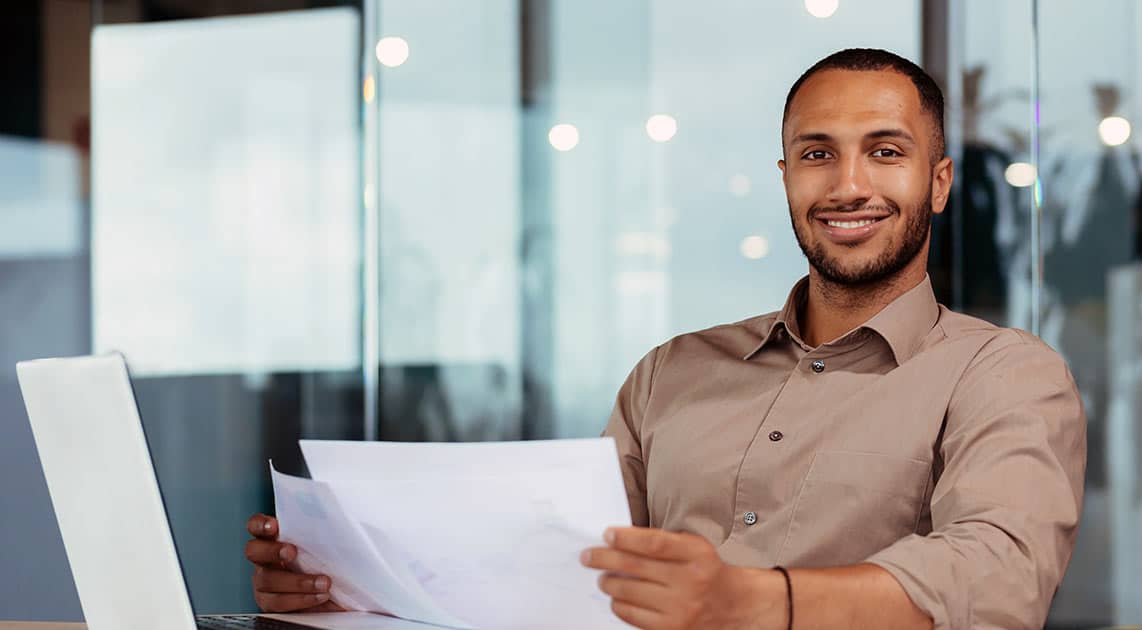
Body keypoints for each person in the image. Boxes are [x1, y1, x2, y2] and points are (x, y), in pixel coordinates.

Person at [245, 48, 1086, 630]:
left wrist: (749, 604)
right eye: (818, 153)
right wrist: (344, 588)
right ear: (787, 176)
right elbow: (562, 577)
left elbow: (998, 582)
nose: (850, 183)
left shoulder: (1003, 374)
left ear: (937, 183)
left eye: (887, 152)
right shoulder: (673, 371)